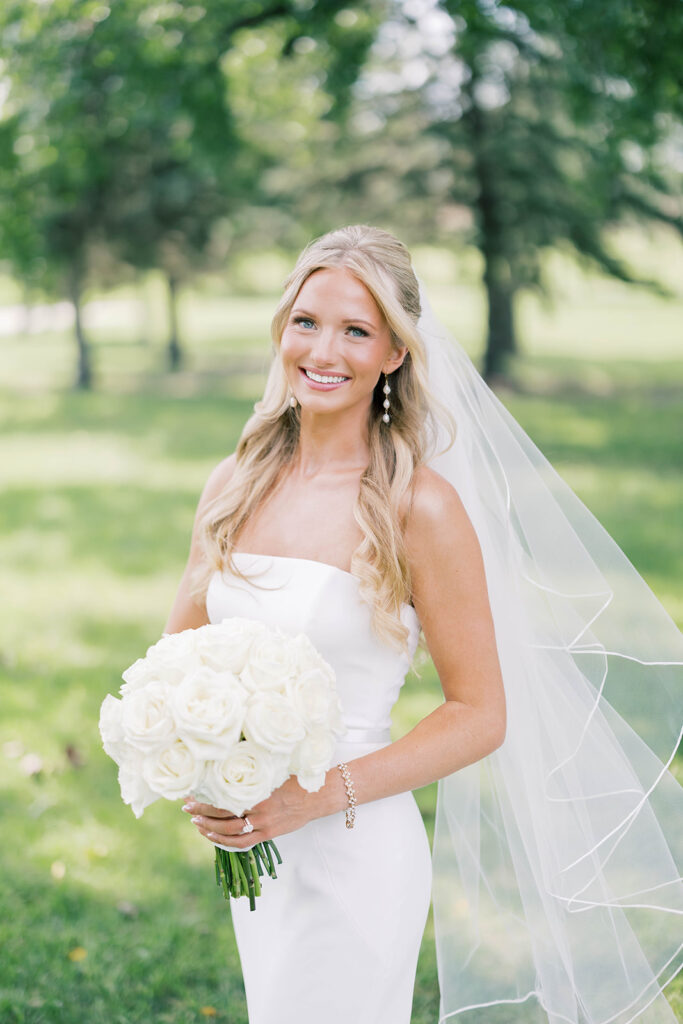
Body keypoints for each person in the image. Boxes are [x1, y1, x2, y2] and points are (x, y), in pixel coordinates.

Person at [162, 225, 683, 1024]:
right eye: (306, 321)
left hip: (354, 845)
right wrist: (202, 771)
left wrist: (317, 795)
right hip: (261, 849)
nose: (322, 350)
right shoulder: (234, 481)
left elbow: (480, 715)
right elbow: (178, 657)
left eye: (355, 330)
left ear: (394, 353)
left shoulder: (419, 506)